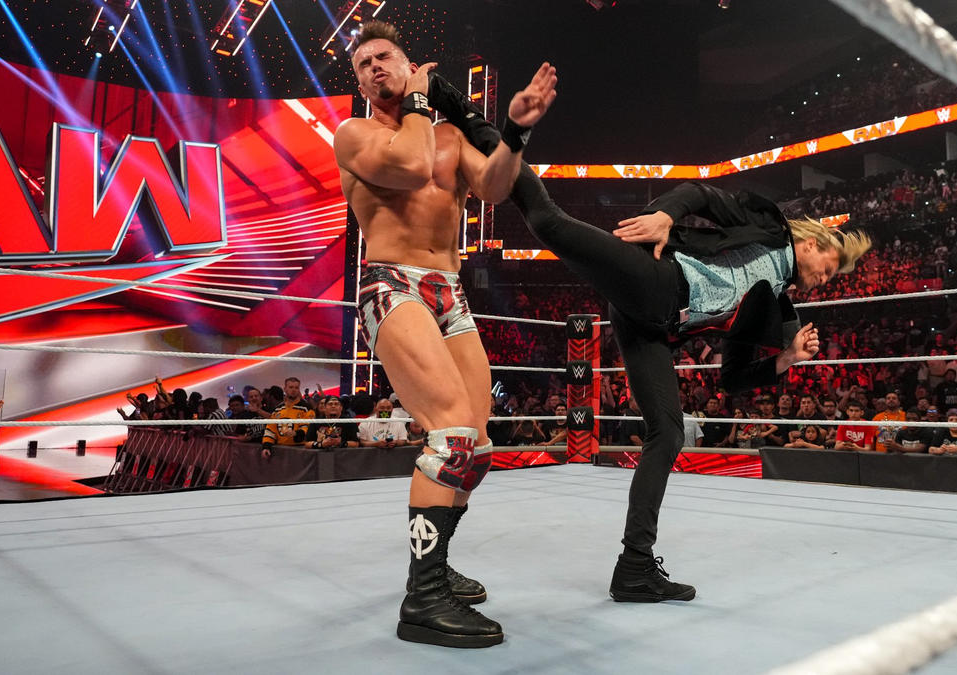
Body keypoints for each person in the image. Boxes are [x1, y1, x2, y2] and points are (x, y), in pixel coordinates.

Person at [436, 96, 869, 603]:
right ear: (815, 244)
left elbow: (733, 379)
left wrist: (786, 358)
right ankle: (471, 115)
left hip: (653, 327)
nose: (824, 281)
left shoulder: (780, 313)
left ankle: (635, 568)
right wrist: (664, 214)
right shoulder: (770, 230)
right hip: (657, 278)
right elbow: (701, 192)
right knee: (548, 222)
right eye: (829, 269)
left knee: (668, 433)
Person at [334, 19, 556, 648]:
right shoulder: (355, 135)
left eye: (384, 57)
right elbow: (408, 167)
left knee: (477, 447)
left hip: (448, 291)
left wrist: (516, 130)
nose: (374, 68)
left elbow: (496, 187)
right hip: (391, 285)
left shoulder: (452, 136)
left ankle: (438, 566)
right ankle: (423, 598)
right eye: (363, 65)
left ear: (409, 64)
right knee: (451, 434)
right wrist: (420, 102)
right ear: (361, 84)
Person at [261, 378, 316, 453]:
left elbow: (308, 427)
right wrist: (266, 447)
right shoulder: (278, 409)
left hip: (300, 450)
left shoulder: (306, 408)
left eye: (296, 388)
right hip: (279, 450)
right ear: (285, 389)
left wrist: (296, 433)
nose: (293, 390)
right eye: (291, 387)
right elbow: (270, 430)